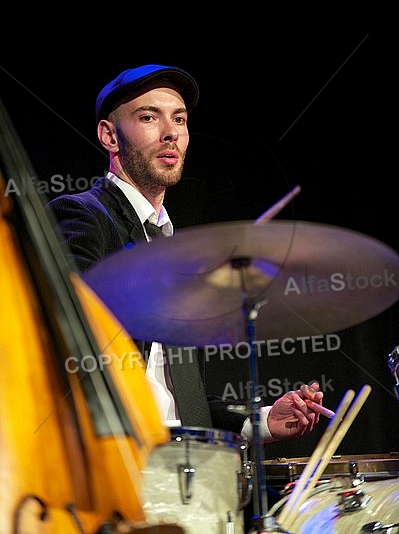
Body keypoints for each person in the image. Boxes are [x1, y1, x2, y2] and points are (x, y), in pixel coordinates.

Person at [47, 64, 324, 525]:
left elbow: (179, 401)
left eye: (179, 119)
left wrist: (263, 421)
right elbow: (77, 333)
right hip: (118, 473)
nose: (171, 133)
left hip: (180, 472)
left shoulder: (171, 244)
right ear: (109, 137)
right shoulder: (84, 215)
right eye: (150, 118)